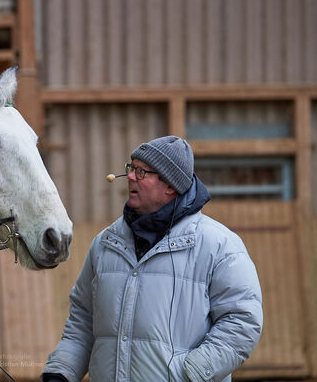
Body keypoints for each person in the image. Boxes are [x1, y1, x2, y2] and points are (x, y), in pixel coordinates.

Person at [42, 136, 263, 382]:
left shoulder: (219, 245)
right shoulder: (105, 243)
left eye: (141, 172)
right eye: (131, 168)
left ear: (170, 185)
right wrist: (60, 372)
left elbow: (242, 321)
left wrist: (192, 373)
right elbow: (83, 320)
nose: (131, 178)